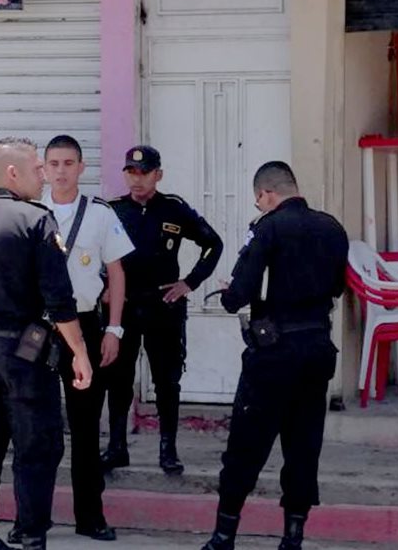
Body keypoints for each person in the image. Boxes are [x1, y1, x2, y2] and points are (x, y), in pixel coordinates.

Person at [0, 137, 92, 550]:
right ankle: (29, 536)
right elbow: (60, 302)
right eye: (37, 169)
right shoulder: (37, 221)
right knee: (37, 447)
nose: (43, 176)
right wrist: (79, 353)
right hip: (26, 356)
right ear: (12, 173)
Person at [200, 162, 347, 550]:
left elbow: (240, 293)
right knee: (303, 445)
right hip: (317, 350)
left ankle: (223, 536)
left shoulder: (267, 228)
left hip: (275, 353)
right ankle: (293, 537)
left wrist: (229, 292)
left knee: (246, 445)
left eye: (258, 199)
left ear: (266, 194)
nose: (259, 205)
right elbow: (337, 286)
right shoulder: (332, 227)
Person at [103, 145, 223, 475]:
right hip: (123, 307)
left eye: (144, 173)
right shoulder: (113, 210)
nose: (137, 179)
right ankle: (117, 447)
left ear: (158, 175)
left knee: (167, 380)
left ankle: (168, 449)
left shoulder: (174, 209)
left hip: (163, 306)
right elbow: (96, 250)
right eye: (131, 172)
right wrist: (103, 286)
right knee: (119, 379)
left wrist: (190, 283)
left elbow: (213, 244)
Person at [36, 135, 133, 542]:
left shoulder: (99, 214)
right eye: (54, 163)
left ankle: (89, 516)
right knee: (34, 427)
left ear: (81, 167)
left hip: (86, 325)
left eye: (68, 163)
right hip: (38, 329)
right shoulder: (29, 210)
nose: (61, 170)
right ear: (43, 169)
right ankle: (33, 519)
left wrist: (114, 329)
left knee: (86, 427)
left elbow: (117, 273)